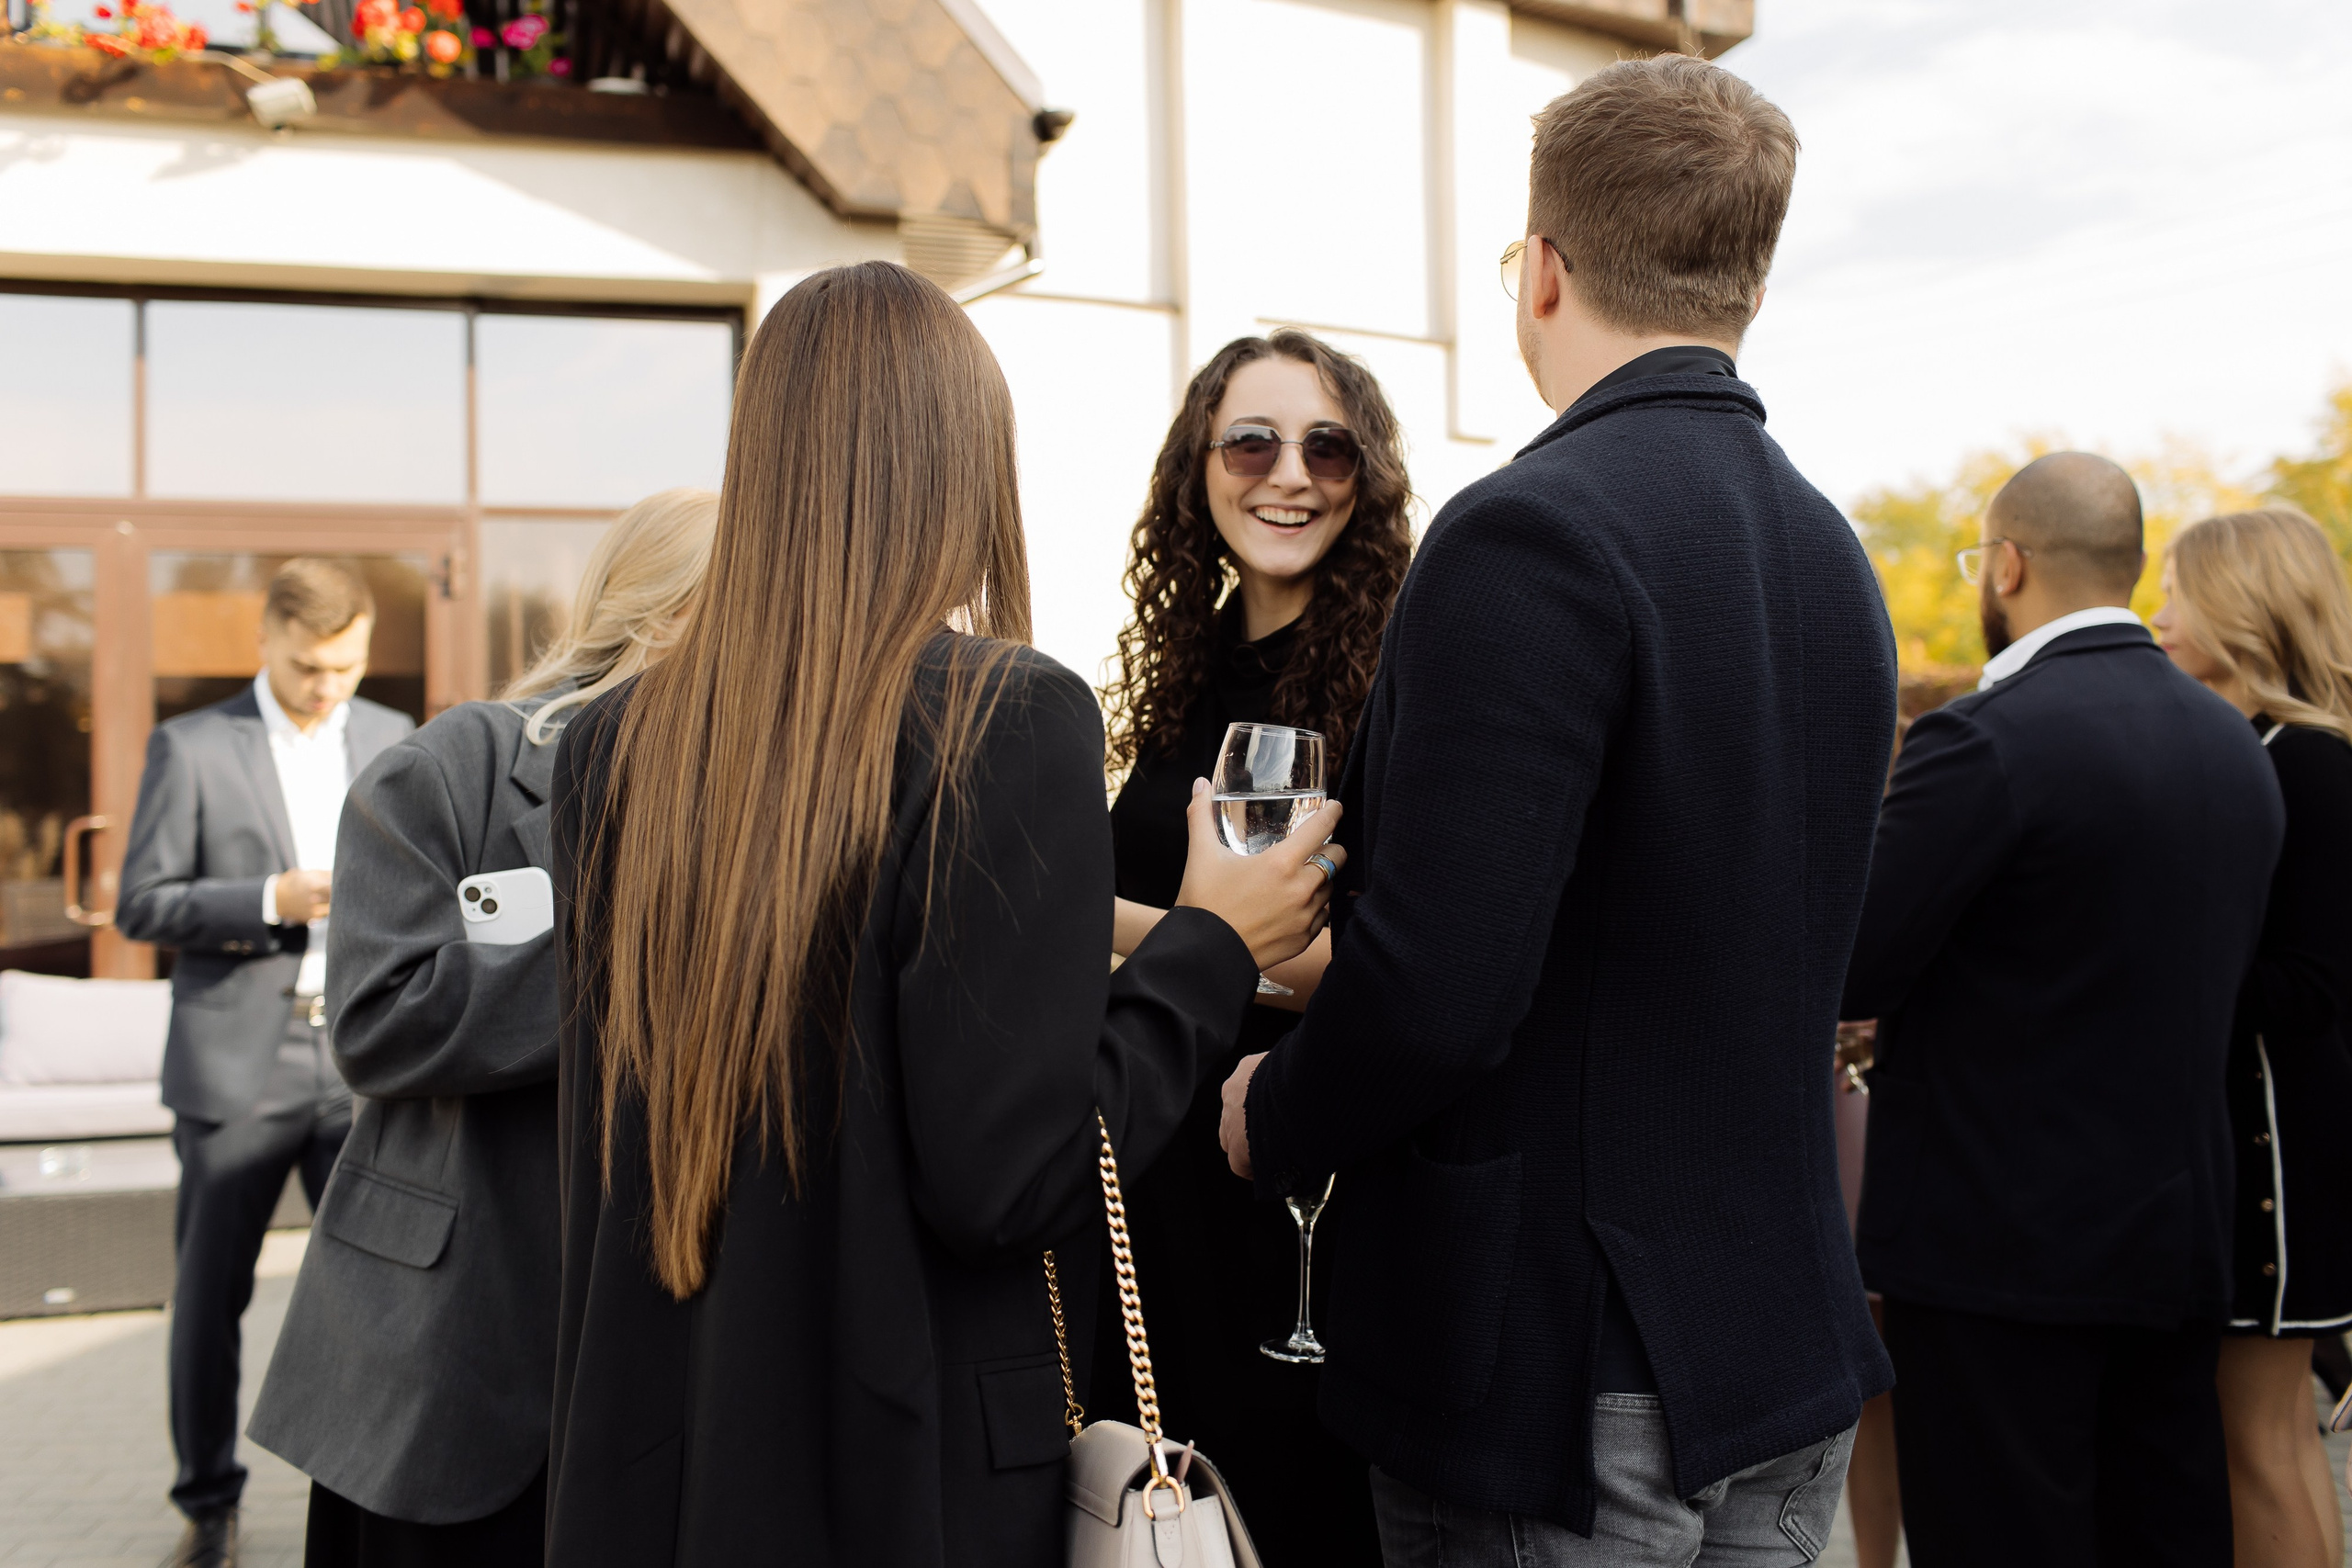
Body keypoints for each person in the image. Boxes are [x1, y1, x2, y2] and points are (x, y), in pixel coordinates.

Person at [540, 261, 1341, 1566]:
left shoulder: (613, 742)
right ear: (965, 458)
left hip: (655, 1461)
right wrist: (1211, 942)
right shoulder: (1004, 715)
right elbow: (1010, 1180)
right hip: (899, 1473)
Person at [1218, 55, 1898, 1562]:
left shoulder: (1530, 529)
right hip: (1780, 1340)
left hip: (1569, 1370)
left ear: (1542, 271)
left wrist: (1275, 1109)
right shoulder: (1830, 549)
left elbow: (1444, 984)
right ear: (1749, 288)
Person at [245, 491, 718, 1566]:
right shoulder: (450, 768)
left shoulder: (768, 806)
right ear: (665, 614)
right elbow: (379, 1021)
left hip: (664, 1362)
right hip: (450, 1365)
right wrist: (646, 949)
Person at [1840, 453, 2285, 1568]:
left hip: (1996, 1251)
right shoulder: (2232, 745)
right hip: (2176, 1240)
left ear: (2005, 565)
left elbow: (1854, 966)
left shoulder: (1986, 738)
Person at [1092, 327, 1411, 1562]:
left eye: (1328, 447)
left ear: (1365, 477)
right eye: (1251, 443)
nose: (1290, 474)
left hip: (1296, 1182)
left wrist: (1095, 923)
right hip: (1158, 1163)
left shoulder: (1402, 677)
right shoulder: (1189, 664)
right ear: (1199, 467)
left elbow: (1367, 963)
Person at [116, 558, 413, 1568]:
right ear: (265, 641)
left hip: (365, 1057)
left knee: (381, 1291)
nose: (328, 687)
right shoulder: (192, 746)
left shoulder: (395, 736)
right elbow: (142, 903)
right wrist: (266, 900)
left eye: (346, 667)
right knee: (212, 1297)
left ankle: (372, 1496)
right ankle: (209, 1505)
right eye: (307, 667)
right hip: (239, 1062)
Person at [2153, 505, 2352, 1568]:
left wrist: (2142, 965)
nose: (2157, 617)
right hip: (2271, 1138)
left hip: (2274, 1146)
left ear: (2244, 605)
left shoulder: (2303, 762)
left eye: (2176, 594)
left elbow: (2311, 985)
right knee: (2275, 1441)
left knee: (2257, 1444)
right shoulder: (2273, 751)